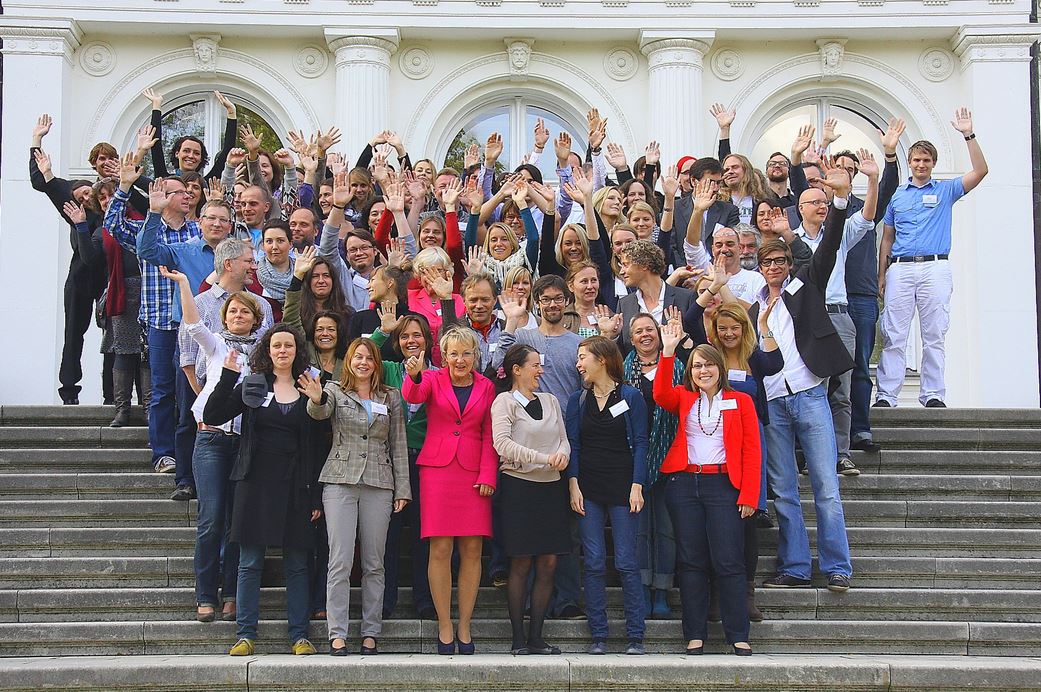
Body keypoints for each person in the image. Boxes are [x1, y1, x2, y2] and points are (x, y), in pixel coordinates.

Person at [750, 168, 855, 593]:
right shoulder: (754, 305)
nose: (774, 267)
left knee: (827, 488)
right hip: (774, 402)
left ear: (789, 265)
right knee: (784, 491)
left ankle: (836, 566)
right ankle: (794, 565)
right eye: (767, 262)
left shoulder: (806, 285)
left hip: (810, 395)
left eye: (779, 261)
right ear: (759, 268)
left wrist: (841, 203)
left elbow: (827, 247)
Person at [202, 324, 323, 657]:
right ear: (267, 352)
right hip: (254, 482)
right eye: (276, 346)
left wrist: (315, 495)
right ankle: (245, 635)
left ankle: (300, 636)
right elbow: (212, 414)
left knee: (298, 563)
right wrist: (228, 376)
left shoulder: (310, 386)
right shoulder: (254, 384)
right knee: (249, 562)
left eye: (288, 345)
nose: (282, 351)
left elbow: (319, 443)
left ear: (298, 350)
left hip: (296, 483)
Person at [161, 265, 266, 624]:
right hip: (211, 438)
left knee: (238, 521)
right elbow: (192, 325)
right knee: (211, 518)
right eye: (233, 311)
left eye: (245, 312)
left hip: (246, 444)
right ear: (225, 316)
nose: (238, 315)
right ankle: (206, 594)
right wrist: (186, 285)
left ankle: (233, 592)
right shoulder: (217, 345)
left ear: (256, 319)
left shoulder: (262, 355)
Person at [301, 337, 411, 656]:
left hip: (380, 481)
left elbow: (399, 444)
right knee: (340, 559)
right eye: (357, 357)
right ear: (348, 361)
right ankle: (337, 632)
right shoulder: (335, 390)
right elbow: (319, 412)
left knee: (374, 562)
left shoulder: (389, 396)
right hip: (339, 482)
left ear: (377, 364)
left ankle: (370, 632)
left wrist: (403, 488)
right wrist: (317, 397)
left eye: (369, 358)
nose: (363, 362)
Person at [653, 332, 760, 656]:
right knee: (691, 561)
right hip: (685, 484)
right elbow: (659, 395)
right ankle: (695, 634)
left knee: (729, 560)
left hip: (725, 485)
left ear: (719, 368)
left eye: (709, 365)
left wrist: (750, 496)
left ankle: (738, 634)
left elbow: (752, 451)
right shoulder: (685, 396)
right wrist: (668, 352)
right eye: (698, 366)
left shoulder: (740, 400)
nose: (703, 371)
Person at [875, 107, 988, 408]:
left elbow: (980, 171)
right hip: (900, 268)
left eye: (926, 160)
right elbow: (887, 237)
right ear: (909, 163)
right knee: (894, 333)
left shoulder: (946, 190)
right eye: (916, 160)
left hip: (935, 266)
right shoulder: (897, 196)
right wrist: (882, 275)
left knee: (934, 333)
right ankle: (886, 395)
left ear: (933, 164)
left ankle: (934, 394)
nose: (921, 164)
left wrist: (968, 135)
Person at [402, 326, 497, 655]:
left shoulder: (486, 386)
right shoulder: (431, 378)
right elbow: (413, 395)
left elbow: (488, 433)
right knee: (439, 550)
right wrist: (414, 376)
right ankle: (444, 624)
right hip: (438, 473)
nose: (459, 359)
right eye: (453, 353)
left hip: (474, 475)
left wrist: (488, 474)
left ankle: (465, 625)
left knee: (472, 551)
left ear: (475, 356)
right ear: (444, 355)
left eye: (466, 353)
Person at [565, 336, 649, 656]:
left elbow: (641, 442)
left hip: (623, 488)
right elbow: (574, 443)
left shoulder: (630, 396)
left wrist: (637, 484)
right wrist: (573, 483)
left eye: (583, 357)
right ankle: (598, 634)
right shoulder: (578, 400)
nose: (578, 364)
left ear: (602, 359)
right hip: (588, 488)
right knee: (595, 562)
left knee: (627, 562)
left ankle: (635, 636)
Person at [491, 344, 571, 655]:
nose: (541, 371)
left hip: (551, 488)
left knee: (549, 562)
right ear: (517, 369)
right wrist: (542, 458)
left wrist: (562, 456)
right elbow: (502, 444)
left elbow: (564, 439)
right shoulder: (504, 402)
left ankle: (537, 636)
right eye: (535, 365)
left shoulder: (550, 401)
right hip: (519, 488)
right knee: (521, 562)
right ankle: (518, 638)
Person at [622, 311, 685, 621]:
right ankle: (643, 589)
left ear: (659, 334)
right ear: (631, 338)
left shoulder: (676, 366)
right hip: (633, 460)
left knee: (666, 530)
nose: (645, 335)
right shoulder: (623, 369)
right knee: (639, 532)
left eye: (650, 329)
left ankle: (662, 591)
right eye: (638, 331)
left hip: (670, 458)